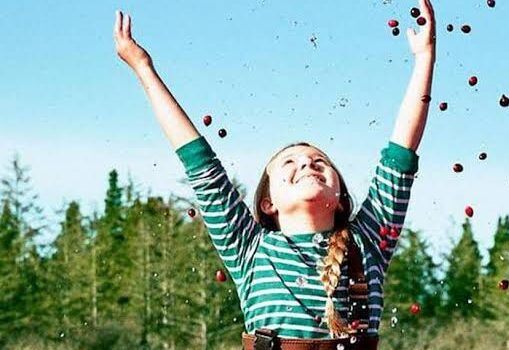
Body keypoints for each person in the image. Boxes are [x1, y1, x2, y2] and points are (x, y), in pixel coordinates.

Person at [113, 0, 436, 348]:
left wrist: (424, 58)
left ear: (341, 196)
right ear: (268, 204)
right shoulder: (248, 248)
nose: (308, 165)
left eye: (319, 162)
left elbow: (401, 153)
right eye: (289, 163)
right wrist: (144, 69)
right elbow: (198, 161)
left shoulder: (369, 239)